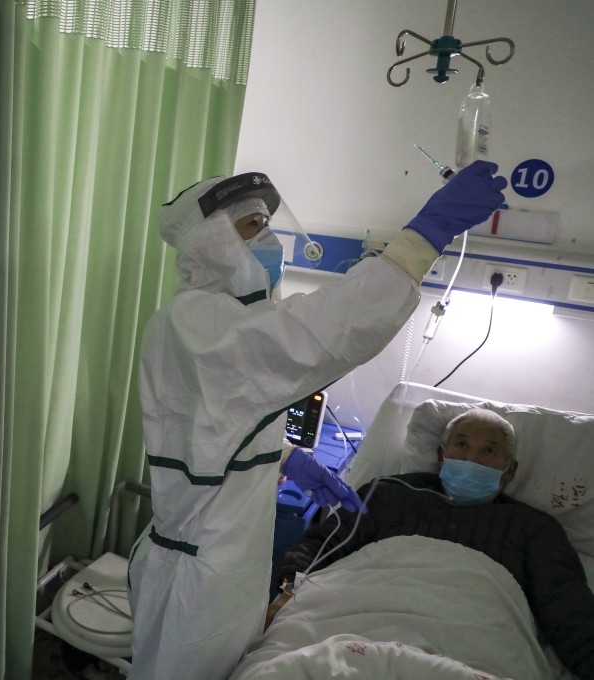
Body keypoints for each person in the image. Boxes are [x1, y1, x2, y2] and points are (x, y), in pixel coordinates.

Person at [127, 161, 508, 680]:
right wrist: (422, 238)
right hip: (198, 575)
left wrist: (288, 459)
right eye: (252, 226)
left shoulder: (220, 322)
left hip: (221, 561)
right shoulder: (195, 324)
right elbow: (321, 331)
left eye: (268, 224)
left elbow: (212, 426)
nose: (270, 239)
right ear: (208, 242)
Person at [275, 408, 594, 679]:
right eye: (462, 444)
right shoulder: (388, 493)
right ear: (442, 456)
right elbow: (319, 545)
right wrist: (285, 592)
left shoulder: (533, 528)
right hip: (351, 616)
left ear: (509, 471)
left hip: (474, 636)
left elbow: (569, 613)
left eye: (489, 451)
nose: (472, 458)